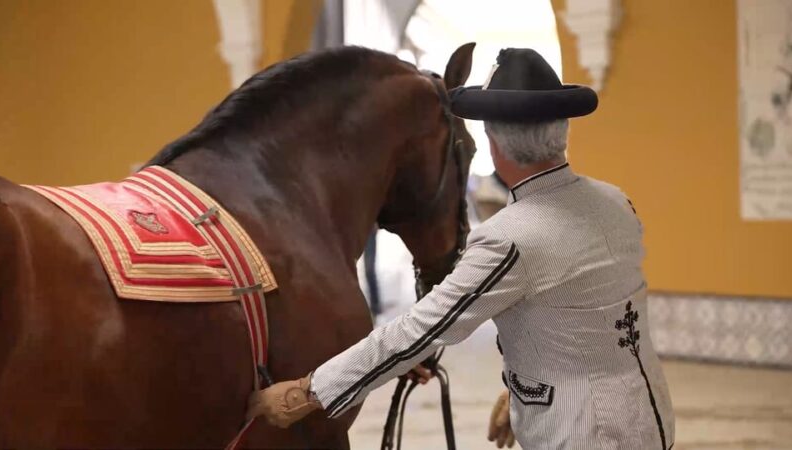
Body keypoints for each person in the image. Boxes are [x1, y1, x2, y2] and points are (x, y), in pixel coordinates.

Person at [247, 48, 675, 450]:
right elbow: (583, 308)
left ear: (494, 143)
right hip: (649, 414)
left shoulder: (510, 235)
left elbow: (421, 329)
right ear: (562, 130)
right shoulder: (617, 201)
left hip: (583, 433)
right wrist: (524, 390)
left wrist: (309, 391)